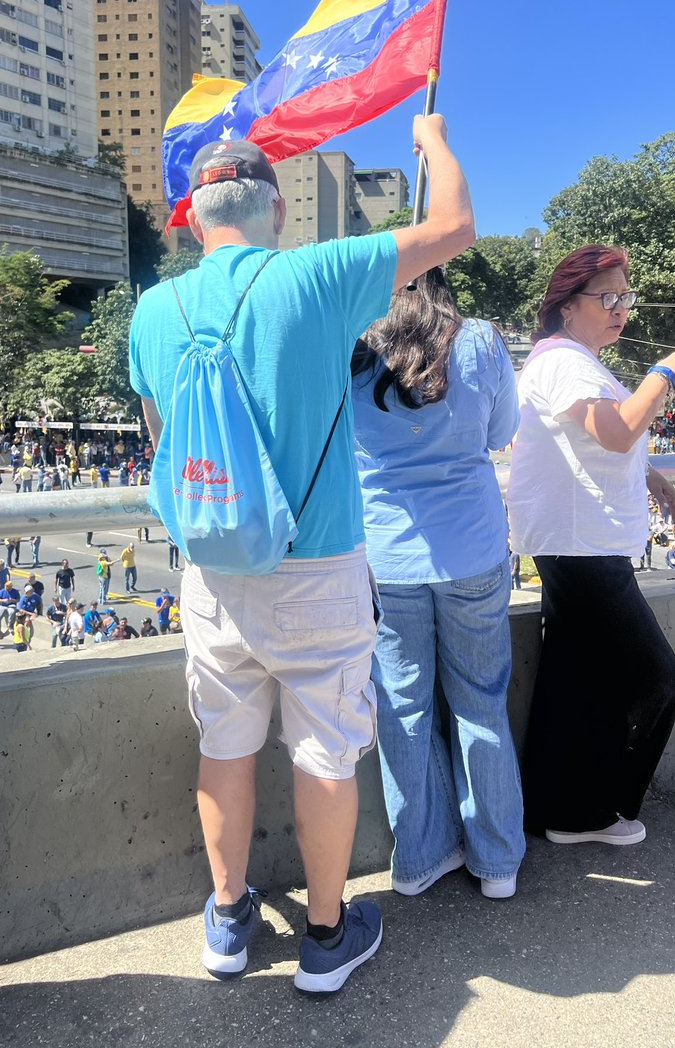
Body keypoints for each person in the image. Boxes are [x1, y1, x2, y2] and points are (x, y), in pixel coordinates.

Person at [128, 117, 475, 992]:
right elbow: (453, 227)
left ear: (193, 220)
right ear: (277, 209)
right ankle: (325, 937)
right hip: (317, 563)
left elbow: (163, 440)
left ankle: (227, 920)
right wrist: (432, 141)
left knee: (225, 744)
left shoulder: (153, 309)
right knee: (324, 753)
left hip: (213, 567)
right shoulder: (318, 275)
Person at [351, 270, 525, 899]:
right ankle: (497, 860)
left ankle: (419, 858)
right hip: (473, 548)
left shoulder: (354, 346)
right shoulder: (481, 340)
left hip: (387, 554)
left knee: (402, 706)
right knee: (481, 700)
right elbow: (501, 434)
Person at [507, 243, 675, 845]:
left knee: (573, 681)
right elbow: (618, 431)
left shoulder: (571, 360)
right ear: (567, 305)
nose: (621, 308)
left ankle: (555, 812)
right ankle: (595, 810)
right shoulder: (565, 362)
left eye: (625, 296)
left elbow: (592, 443)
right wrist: (666, 370)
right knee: (656, 678)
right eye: (607, 298)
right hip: (583, 547)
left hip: (574, 542)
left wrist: (653, 478)